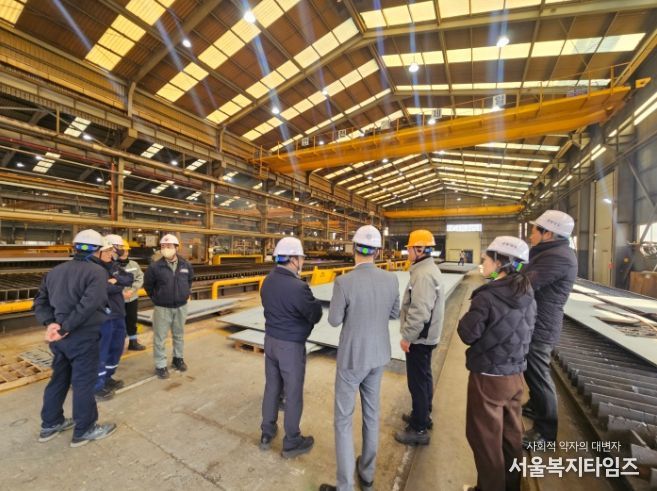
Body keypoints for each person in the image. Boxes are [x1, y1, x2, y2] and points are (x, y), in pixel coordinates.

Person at [320, 226, 400, 491]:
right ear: (377, 252)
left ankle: (345, 485)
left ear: (354, 249)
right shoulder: (391, 280)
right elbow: (394, 313)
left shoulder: (344, 282)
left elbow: (334, 320)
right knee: (371, 415)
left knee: (343, 420)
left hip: (352, 359)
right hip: (378, 356)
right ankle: (367, 473)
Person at [458, 236, 536, 491]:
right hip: (516, 376)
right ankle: (512, 485)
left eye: (486, 259)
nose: (483, 263)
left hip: (489, 378)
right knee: (511, 435)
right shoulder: (527, 293)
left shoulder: (487, 297)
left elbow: (468, 334)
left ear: (500, 263)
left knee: (485, 439)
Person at [34, 229, 117, 447]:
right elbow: (88, 305)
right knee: (83, 383)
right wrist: (66, 328)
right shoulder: (97, 272)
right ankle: (84, 429)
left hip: (59, 339)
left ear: (75, 248)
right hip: (82, 337)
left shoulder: (55, 272)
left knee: (59, 378)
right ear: (97, 250)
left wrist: (51, 324)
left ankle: (51, 423)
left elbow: (40, 302)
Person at [259, 237, 323, 459]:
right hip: (290, 347)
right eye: (301, 258)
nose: (302, 262)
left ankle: (267, 433)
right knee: (293, 393)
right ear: (293, 259)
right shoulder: (298, 287)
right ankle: (292, 441)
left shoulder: (267, 281)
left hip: (270, 342)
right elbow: (314, 314)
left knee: (272, 387)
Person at [522, 210, 577, 447]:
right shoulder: (547, 253)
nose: (530, 234)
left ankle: (546, 433)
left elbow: (526, 283)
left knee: (538, 374)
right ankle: (535, 406)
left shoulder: (558, 257)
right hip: (536, 321)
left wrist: (496, 283)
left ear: (548, 233)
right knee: (531, 370)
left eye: (534, 230)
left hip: (541, 325)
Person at [395, 229, 444, 446]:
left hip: (420, 338)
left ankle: (419, 428)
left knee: (417, 383)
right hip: (426, 337)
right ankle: (423, 414)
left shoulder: (423, 275)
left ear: (420, 249)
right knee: (424, 378)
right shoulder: (426, 269)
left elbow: (420, 311)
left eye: (410, 248)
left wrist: (407, 337)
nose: (408, 252)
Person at [143, 234, 194, 379]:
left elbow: (189, 281)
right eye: (163, 246)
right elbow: (148, 286)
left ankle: (178, 359)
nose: (165, 249)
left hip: (181, 306)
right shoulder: (155, 267)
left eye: (169, 246)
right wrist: (158, 298)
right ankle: (161, 365)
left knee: (179, 335)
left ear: (176, 248)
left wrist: (185, 294)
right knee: (160, 337)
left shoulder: (185, 265)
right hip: (162, 308)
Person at [94, 235, 134, 400]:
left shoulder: (113, 265)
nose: (112, 253)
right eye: (109, 250)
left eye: (112, 250)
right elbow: (103, 289)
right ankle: (96, 385)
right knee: (100, 350)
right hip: (103, 316)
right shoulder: (93, 268)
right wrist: (118, 285)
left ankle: (107, 377)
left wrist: (115, 281)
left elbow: (129, 278)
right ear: (99, 251)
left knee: (116, 348)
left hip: (118, 313)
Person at [119, 240, 146, 351]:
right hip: (118, 299)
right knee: (118, 321)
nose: (125, 253)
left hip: (132, 298)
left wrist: (132, 290)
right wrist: (121, 293)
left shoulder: (134, 264)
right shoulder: (112, 265)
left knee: (132, 320)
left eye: (127, 250)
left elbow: (140, 277)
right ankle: (118, 344)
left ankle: (133, 342)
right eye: (123, 250)